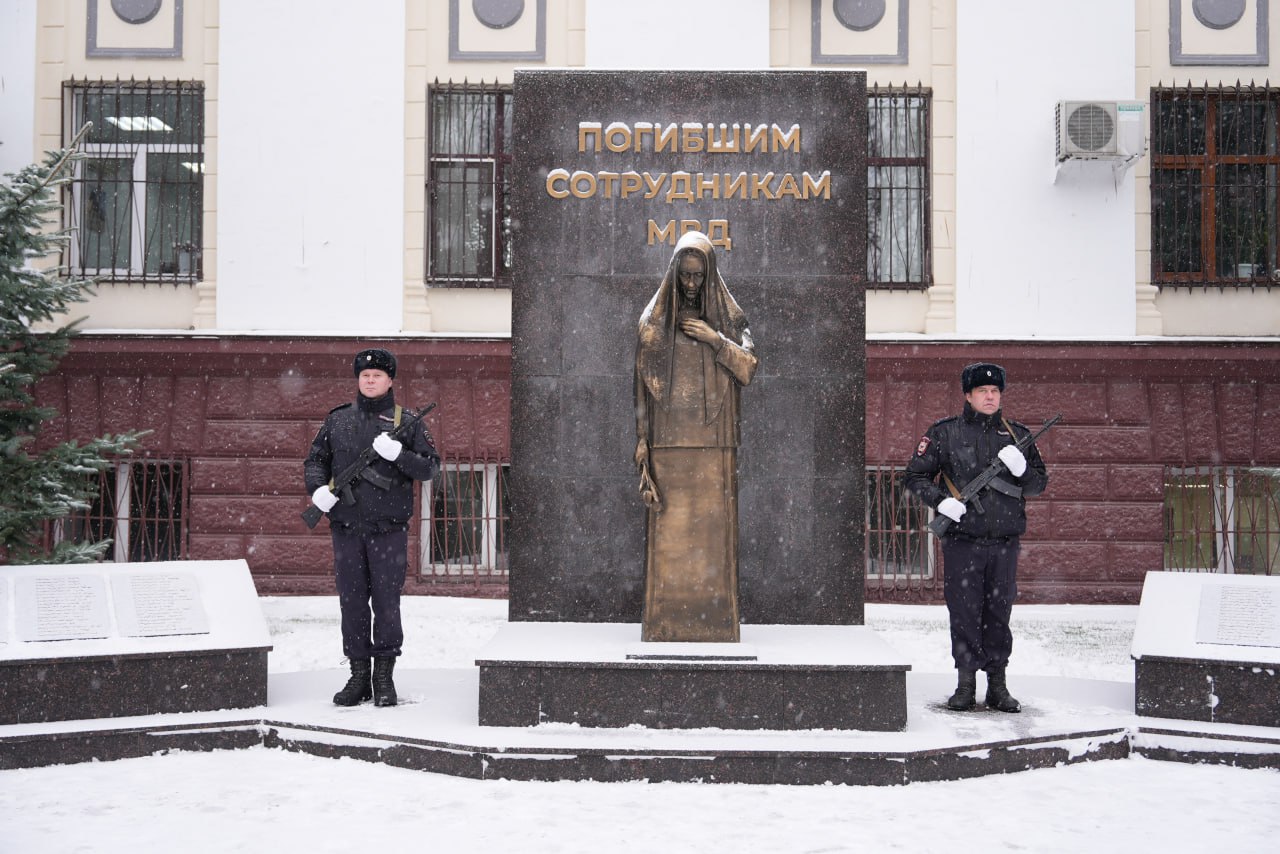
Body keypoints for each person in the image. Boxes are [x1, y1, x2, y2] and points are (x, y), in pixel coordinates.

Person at [634, 231, 758, 642]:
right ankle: (665, 624)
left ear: (709, 276)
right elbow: (641, 388)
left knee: (714, 542)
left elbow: (748, 367)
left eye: (698, 277)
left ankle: (715, 624)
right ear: (674, 274)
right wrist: (642, 439)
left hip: (717, 441)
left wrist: (713, 338)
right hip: (668, 442)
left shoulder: (730, 319)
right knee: (669, 540)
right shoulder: (653, 324)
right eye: (684, 276)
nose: (690, 284)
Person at [902, 363, 1049, 712]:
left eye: (995, 391)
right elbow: (915, 477)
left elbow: (1038, 484)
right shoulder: (945, 434)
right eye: (982, 391)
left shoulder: (1017, 437)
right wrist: (943, 503)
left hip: (1004, 543)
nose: (990, 396)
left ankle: (997, 685)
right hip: (963, 542)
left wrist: (1022, 469)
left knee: (999, 612)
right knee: (965, 612)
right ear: (968, 395)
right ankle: (965, 683)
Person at [304, 348, 439, 706]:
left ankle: (384, 677)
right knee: (352, 603)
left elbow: (429, 468)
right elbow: (316, 460)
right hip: (346, 528)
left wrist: (400, 455)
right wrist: (318, 490)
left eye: (377, 375)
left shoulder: (406, 421)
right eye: (364, 375)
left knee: (386, 603)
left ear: (390, 380)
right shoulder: (337, 421)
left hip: (388, 530)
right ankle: (358, 675)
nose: (370, 380)